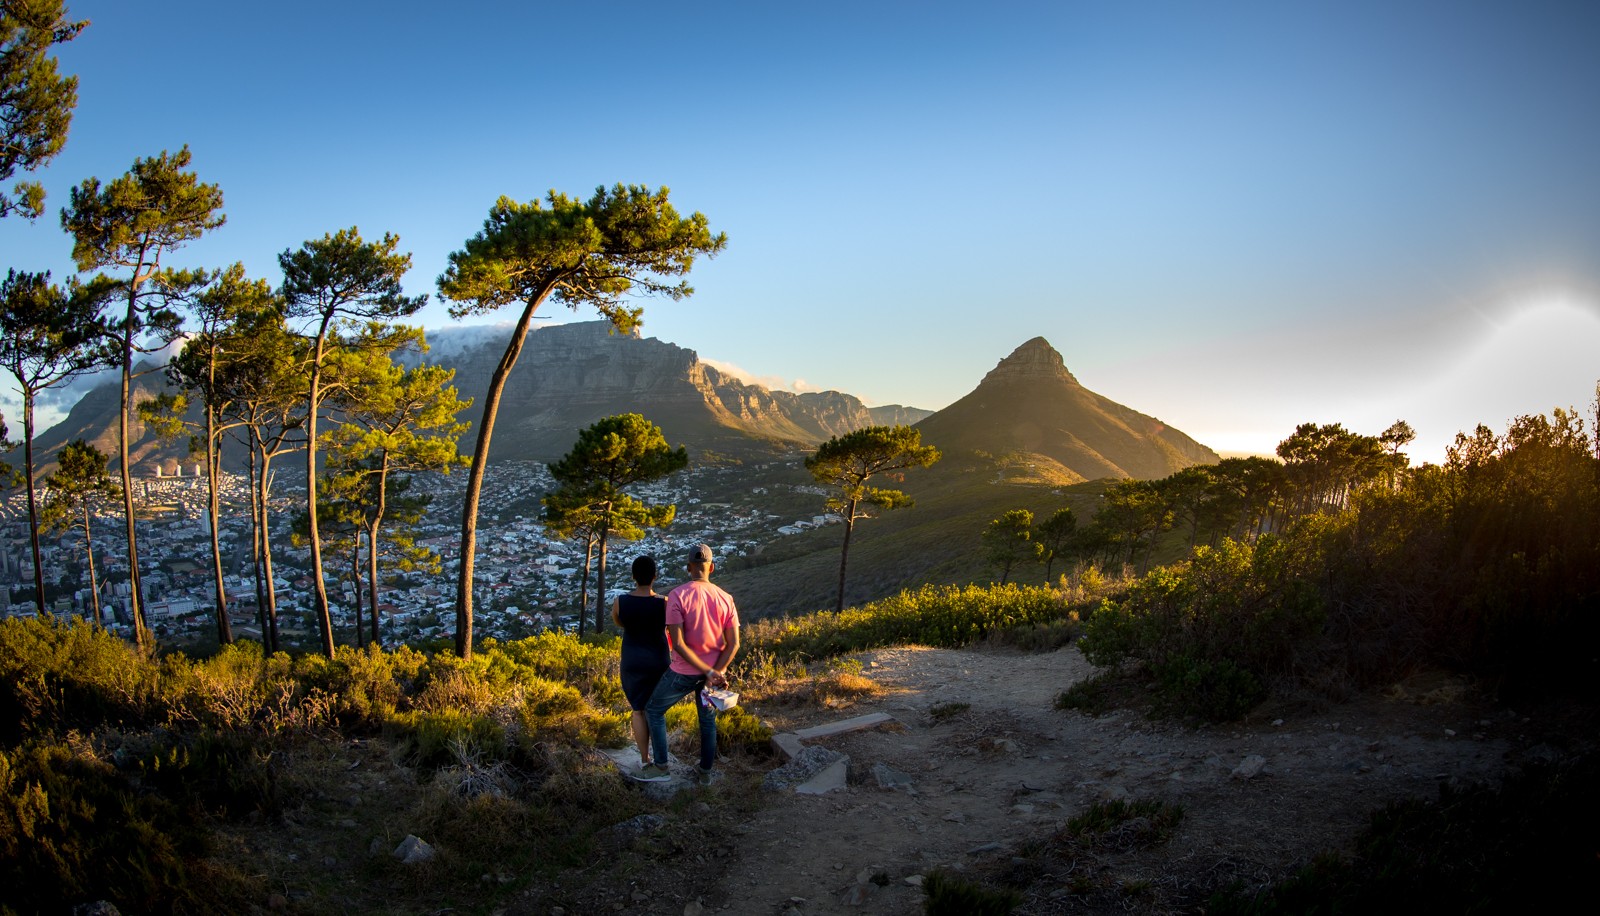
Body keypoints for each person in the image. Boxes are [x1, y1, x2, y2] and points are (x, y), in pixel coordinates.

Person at [637, 543, 740, 784]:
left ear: (688, 568)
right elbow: (733, 643)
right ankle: (705, 774)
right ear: (711, 568)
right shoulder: (726, 598)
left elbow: (680, 645)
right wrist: (716, 672)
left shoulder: (677, 595)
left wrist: (707, 671)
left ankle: (661, 766)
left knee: (654, 710)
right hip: (710, 677)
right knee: (707, 721)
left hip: (683, 672)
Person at [613, 554, 670, 769]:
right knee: (656, 711)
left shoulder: (621, 601)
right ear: (655, 576)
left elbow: (619, 622)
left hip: (632, 660)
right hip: (658, 660)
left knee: (638, 710)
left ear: (633, 577)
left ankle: (645, 759)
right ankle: (661, 758)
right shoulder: (664, 603)